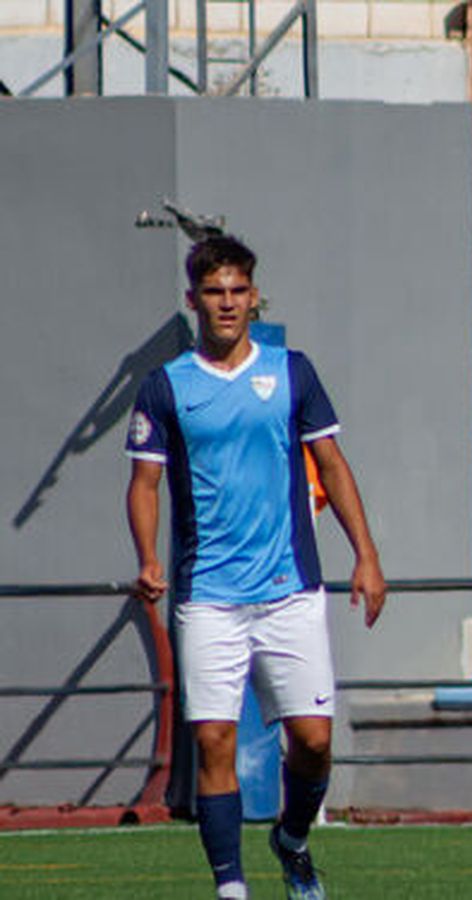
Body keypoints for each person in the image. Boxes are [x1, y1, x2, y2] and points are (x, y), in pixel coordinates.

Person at [125, 235, 386, 900]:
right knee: (213, 739)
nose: (227, 303)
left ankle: (292, 841)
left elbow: (332, 466)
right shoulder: (165, 387)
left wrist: (367, 557)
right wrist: (149, 558)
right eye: (214, 293)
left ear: (254, 297)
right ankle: (231, 887)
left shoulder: (291, 372)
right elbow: (144, 486)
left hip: (289, 590)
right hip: (208, 595)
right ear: (194, 301)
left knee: (314, 742)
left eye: (238, 291)